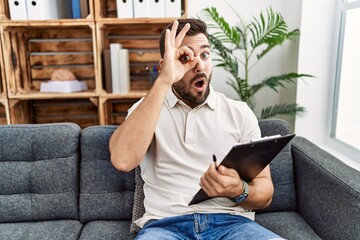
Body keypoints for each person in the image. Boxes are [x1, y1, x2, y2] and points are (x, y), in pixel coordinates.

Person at [109, 18, 284, 240]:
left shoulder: (239, 113)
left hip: (232, 224)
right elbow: (123, 160)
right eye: (185, 58)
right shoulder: (146, 109)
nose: (199, 65)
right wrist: (163, 82)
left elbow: (265, 193)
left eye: (205, 54)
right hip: (165, 227)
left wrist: (238, 189)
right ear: (165, 65)